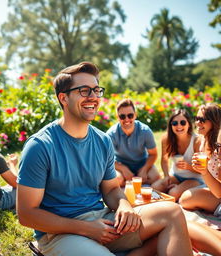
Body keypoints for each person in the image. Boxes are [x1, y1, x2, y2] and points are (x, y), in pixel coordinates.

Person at [17, 61, 193, 256]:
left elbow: (110, 189)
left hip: (103, 221)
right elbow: (27, 214)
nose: (93, 97)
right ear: (63, 98)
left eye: (96, 90)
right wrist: (86, 228)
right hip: (59, 233)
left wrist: (124, 204)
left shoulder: (102, 141)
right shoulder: (40, 146)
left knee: (172, 212)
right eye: (84, 91)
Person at [151, 109, 204, 201]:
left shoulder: (197, 141)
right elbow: (164, 160)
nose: (179, 126)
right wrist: (167, 175)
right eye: (175, 123)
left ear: (189, 124)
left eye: (183, 122)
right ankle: (176, 188)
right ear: (171, 125)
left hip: (195, 178)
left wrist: (188, 167)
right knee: (154, 188)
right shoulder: (166, 139)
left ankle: (176, 191)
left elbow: (202, 170)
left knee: (173, 193)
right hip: (175, 175)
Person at [106, 99, 160, 186]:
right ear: (117, 117)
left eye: (130, 115)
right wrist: (123, 168)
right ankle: (132, 185)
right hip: (121, 165)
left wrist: (144, 169)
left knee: (155, 177)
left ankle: (128, 184)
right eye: (122, 116)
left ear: (135, 115)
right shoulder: (111, 134)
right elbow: (105, 159)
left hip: (142, 163)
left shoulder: (145, 131)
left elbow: (153, 154)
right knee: (116, 180)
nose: (126, 119)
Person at [179, 103, 221, 216]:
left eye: (202, 119)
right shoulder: (202, 140)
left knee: (185, 199)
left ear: (214, 122)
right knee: (184, 198)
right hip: (209, 187)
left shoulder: (218, 149)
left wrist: (203, 171)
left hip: (219, 193)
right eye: (197, 118)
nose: (197, 122)